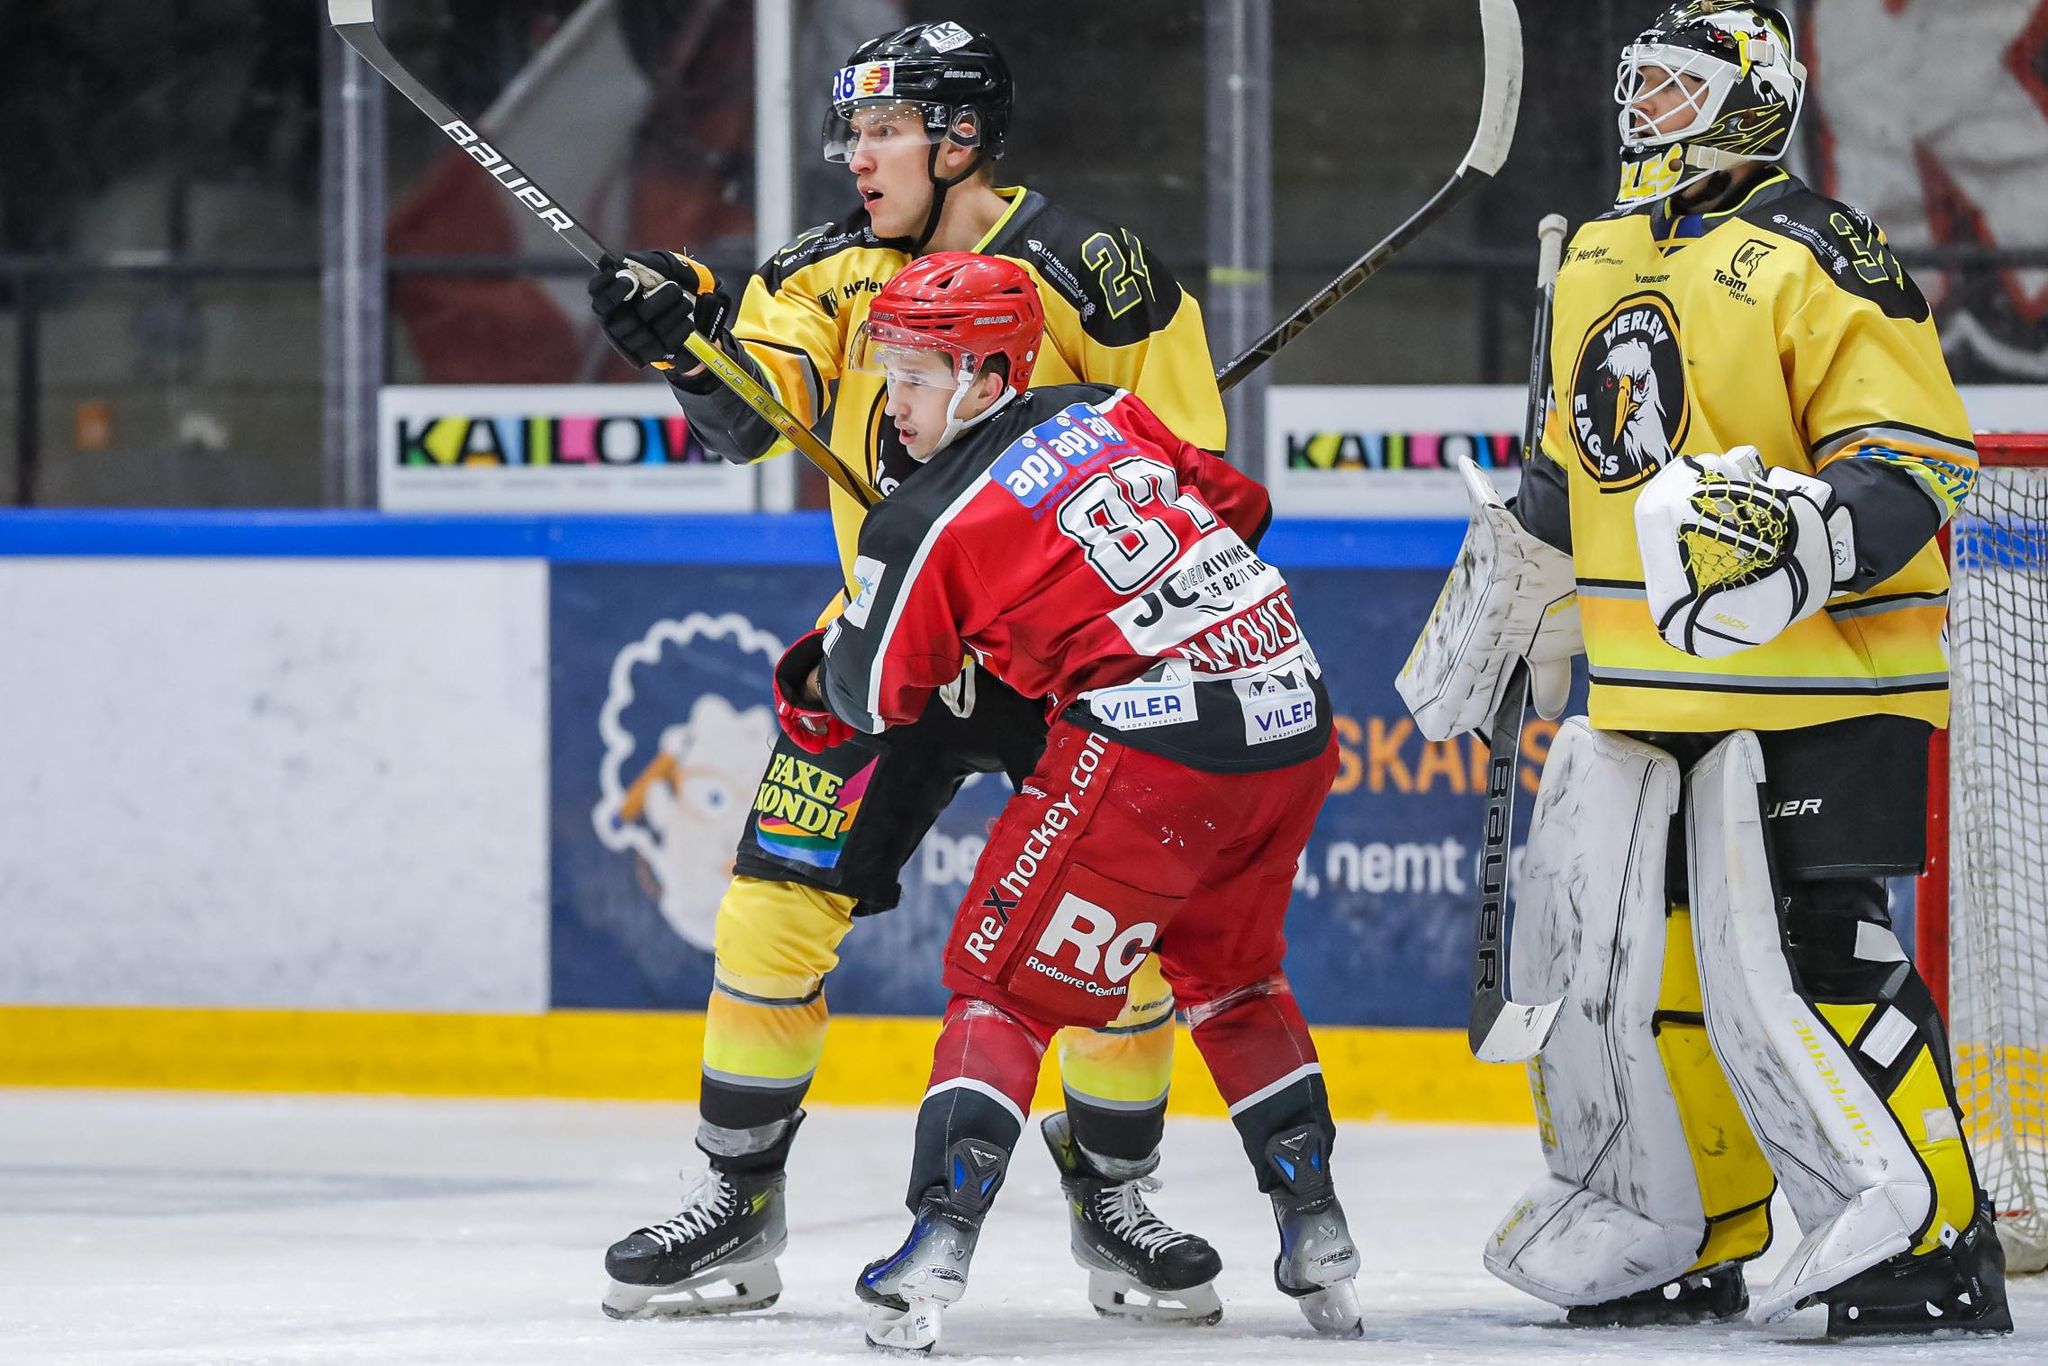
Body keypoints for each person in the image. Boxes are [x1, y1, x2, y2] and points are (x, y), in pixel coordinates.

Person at [583, 21, 1232, 1324]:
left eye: (885, 131)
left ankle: (1113, 1190)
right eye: (853, 132)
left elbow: (1187, 474)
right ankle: (737, 1194)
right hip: (888, 641)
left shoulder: (1092, 274)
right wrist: (678, 339)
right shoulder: (819, 276)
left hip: (1068, 659)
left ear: (962, 138)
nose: (858, 156)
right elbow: (740, 422)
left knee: (1120, 930)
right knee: (773, 901)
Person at [1398, 1, 2010, 1338]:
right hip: (1643, 697)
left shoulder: (1818, 249)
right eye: (1641, 85)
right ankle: (1674, 1221)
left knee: (1821, 952)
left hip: (1829, 688)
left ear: (1753, 102)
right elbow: (1576, 468)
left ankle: (1928, 1235)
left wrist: (1815, 531)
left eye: (1678, 88)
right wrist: (1512, 587)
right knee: (1639, 968)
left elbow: (1915, 463)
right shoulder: (1601, 250)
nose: (1647, 110)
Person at [768, 251, 1357, 1352]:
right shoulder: (1107, 409)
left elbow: (870, 698)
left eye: (918, 372)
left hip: (1156, 739)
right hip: (1290, 708)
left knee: (996, 986)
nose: (891, 400)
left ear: (990, 377)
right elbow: (1242, 506)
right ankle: (1316, 1233)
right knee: (1229, 975)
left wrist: (817, 662)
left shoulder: (923, 519)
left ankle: (935, 1247)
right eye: (886, 369)